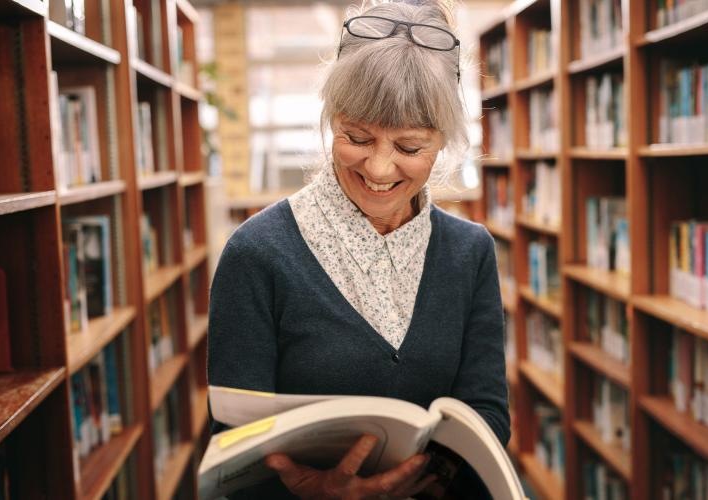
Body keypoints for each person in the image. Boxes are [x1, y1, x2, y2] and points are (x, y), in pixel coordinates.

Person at [208, 1, 510, 497]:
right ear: (331, 121)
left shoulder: (469, 252)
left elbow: (489, 413)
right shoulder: (256, 253)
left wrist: (423, 480)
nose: (379, 169)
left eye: (410, 147)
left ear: (443, 141)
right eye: (356, 137)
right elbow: (233, 449)